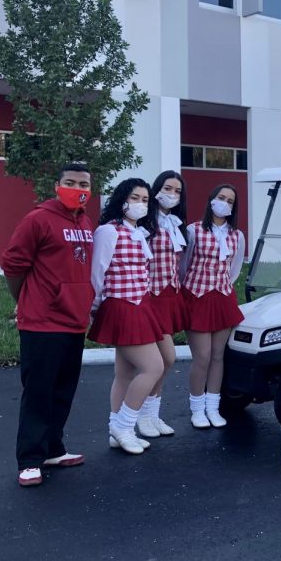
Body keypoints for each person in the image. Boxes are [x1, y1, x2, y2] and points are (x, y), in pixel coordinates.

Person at [1, 163, 94, 487]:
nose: (77, 187)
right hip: (42, 322)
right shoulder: (37, 219)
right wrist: (25, 300)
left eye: (83, 183)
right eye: (70, 182)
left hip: (73, 321)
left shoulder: (84, 221)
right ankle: (29, 459)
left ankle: (53, 448)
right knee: (39, 392)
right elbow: (13, 265)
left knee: (62, 391)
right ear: (57, 185)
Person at [90, 179, 165, 455]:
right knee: (153, 368)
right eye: (135, 197)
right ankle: (124, 426)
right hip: (121, 306)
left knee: (124, 374)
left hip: (139, 305)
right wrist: (93, 308)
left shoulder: (139, 232)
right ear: (122, 199)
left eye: (145, 199)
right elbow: (97, 273)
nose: (141, 204)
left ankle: (116, 430)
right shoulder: (108, 232)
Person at [181, 184, 246, 429]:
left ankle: (213, 407)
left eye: (230, 200)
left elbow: (235, 268)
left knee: (219, 356)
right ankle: (197, 408)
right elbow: (184, 265)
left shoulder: (236, 235)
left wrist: (222, 286)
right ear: (211, 200)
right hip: (196, 296)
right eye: (221, 197)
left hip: (222, 298)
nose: (225, 203)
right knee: (203, 357)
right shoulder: (193, 230)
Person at [137, 170, 189, 438]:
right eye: (168, 188)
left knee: (165, 360)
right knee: (165, 358)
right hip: (150, 295)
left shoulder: (175, 223)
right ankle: (140, 415)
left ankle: (151, 414)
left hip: (170, 294)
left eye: (177, 191)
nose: (172, 195)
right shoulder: (146, 223)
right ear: (157, 189)